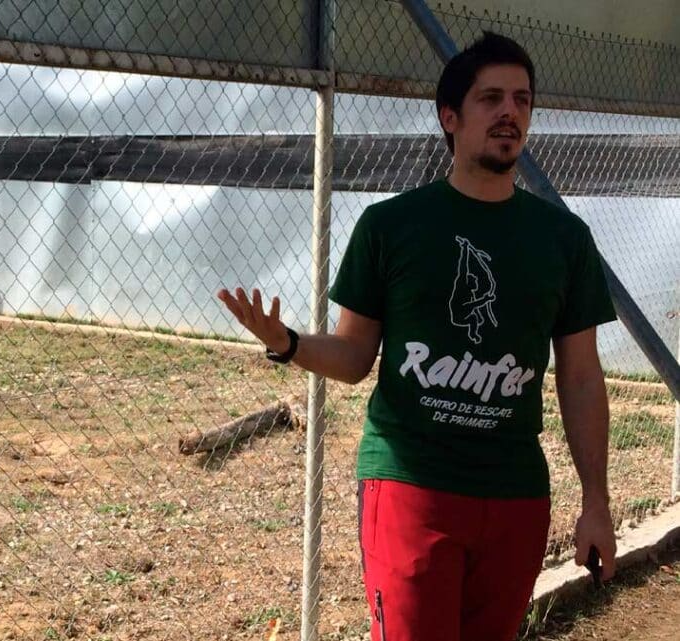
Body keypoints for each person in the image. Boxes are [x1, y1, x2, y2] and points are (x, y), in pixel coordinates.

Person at [218, 31, 617, 641]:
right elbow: (354, 358)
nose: (510, 112)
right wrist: (289, 342)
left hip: (515, 495)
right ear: (449, 117)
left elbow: (583, 377)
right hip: (411, 489)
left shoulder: (564, 240)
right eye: (491, 99)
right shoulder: (392, 226)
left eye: (522, 100)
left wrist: (596, 501)